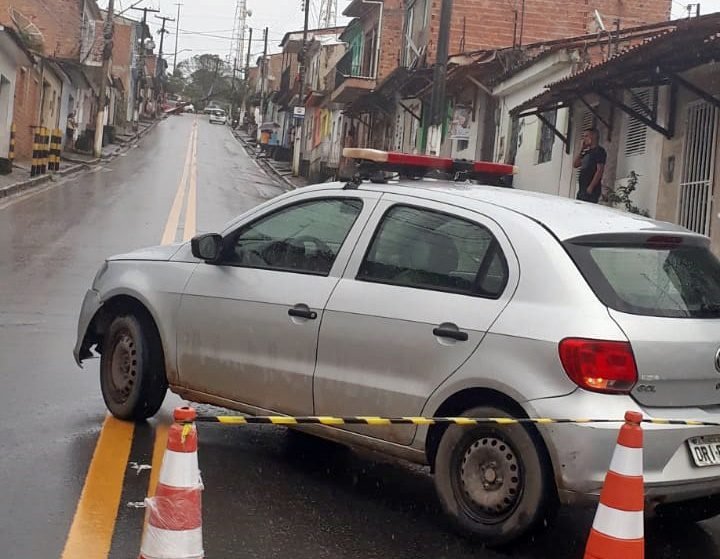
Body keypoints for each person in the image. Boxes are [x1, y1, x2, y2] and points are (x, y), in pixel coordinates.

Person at [573, 128, 606, 203]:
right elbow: (575, 164)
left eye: (586, 136)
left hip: (591, 189)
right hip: (582, 188)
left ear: (594, 136)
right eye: (583, 136)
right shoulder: (587, 152)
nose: (584, 139)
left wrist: (591, 187)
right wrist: (581, 149)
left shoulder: (599, 151)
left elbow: (600, 170)